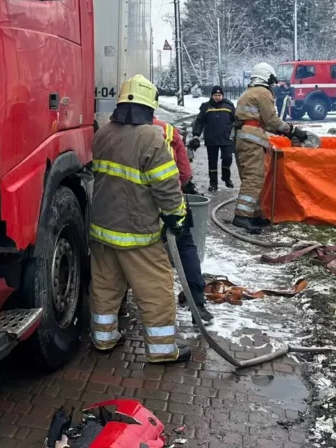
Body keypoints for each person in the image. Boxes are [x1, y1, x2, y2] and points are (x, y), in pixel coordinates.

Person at [89, 74, 191, 364]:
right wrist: (176, 218)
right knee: (155, 291)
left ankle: (104, 338)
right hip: (139, 235)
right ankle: (162, 350)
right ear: (149, 107)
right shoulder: (151, 138)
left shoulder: (103, 133)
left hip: (103, 230)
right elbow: (167, 187)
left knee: (105, 287)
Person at [232, 63, 309, 234]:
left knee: (252, 177)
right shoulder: (263, 93)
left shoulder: (249, 92)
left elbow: (260, 121)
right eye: (272, 79)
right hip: (252, 140)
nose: (273, 83)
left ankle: (254, 214)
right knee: (254, 177)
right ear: (266, 76)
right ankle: (242, 216)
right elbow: (272, 120)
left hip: (244, 137)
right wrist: (293, 130)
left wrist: (284, 133)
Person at [152, 115, 214, 324]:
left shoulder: (121, 130)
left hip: (138, 207)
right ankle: (198, 304)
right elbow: (185, 173)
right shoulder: (169, 131)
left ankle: (122, 308)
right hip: (171, 201)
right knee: (186, 248)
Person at [188, 86, 236, 192]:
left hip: (226, 138)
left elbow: (235, 120)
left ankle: (226, 177)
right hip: (211, 139)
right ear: (212, 96)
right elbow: (199, 122)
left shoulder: (229, 105)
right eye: (215, 95)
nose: (217, 97)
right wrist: (196, 135)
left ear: (222, 95)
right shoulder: (206, 107)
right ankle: (213, 184)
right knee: (212, 162)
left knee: (228, 158)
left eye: (219, 95)